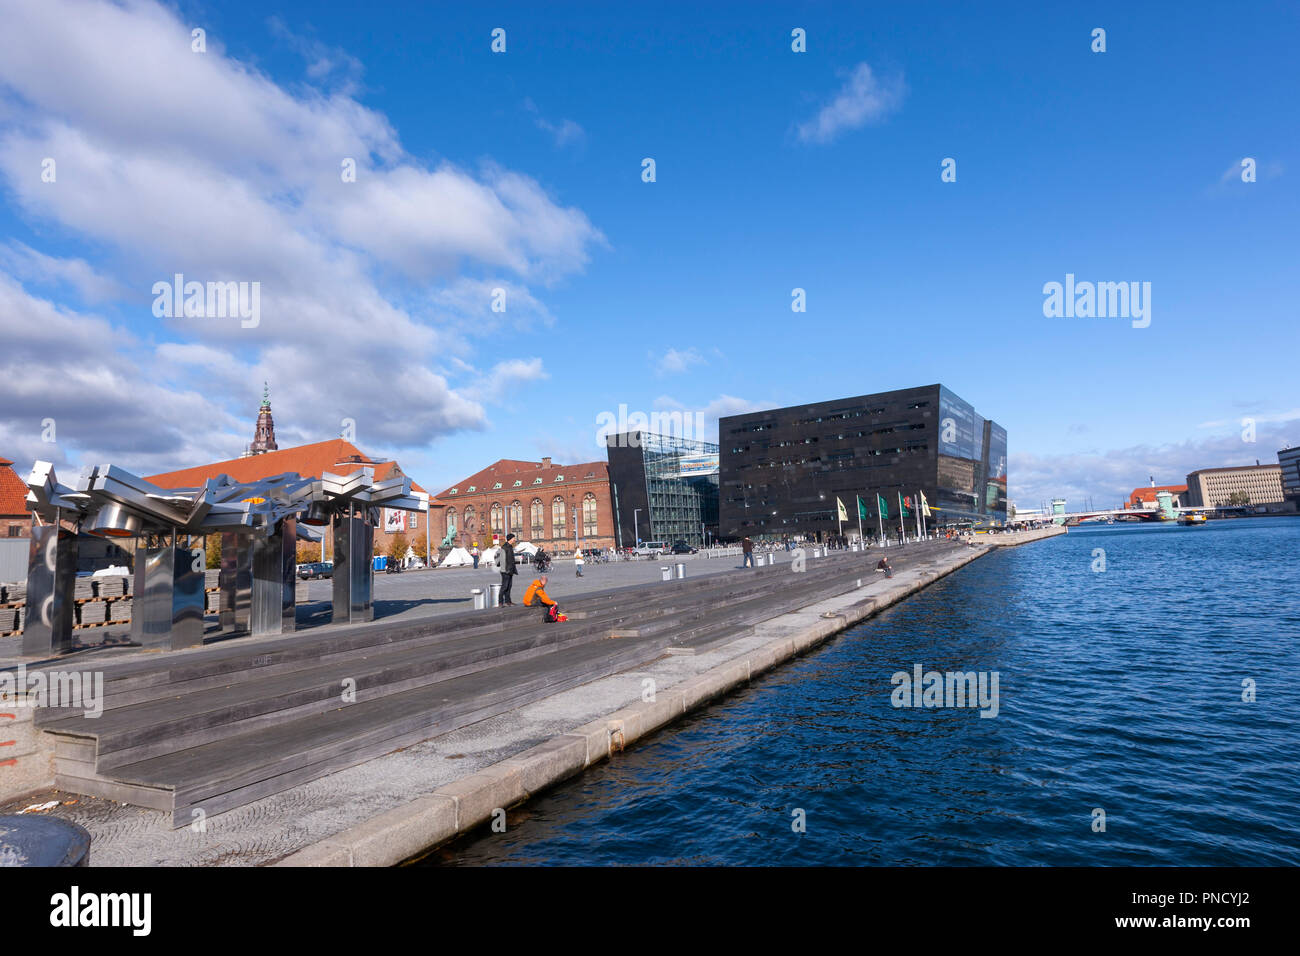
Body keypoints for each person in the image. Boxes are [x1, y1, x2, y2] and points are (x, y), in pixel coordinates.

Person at [496, 533, 517, 606]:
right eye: (514, 538)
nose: (514, 539)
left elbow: (511, 559)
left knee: (509, 586)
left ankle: (508, 601)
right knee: (504, 587)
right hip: (505, 570)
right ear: (510, 539)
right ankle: (500, 602)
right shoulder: (504, 547)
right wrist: (505, 570)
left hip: (510, 570)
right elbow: (502, 560)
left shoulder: (510, 547)